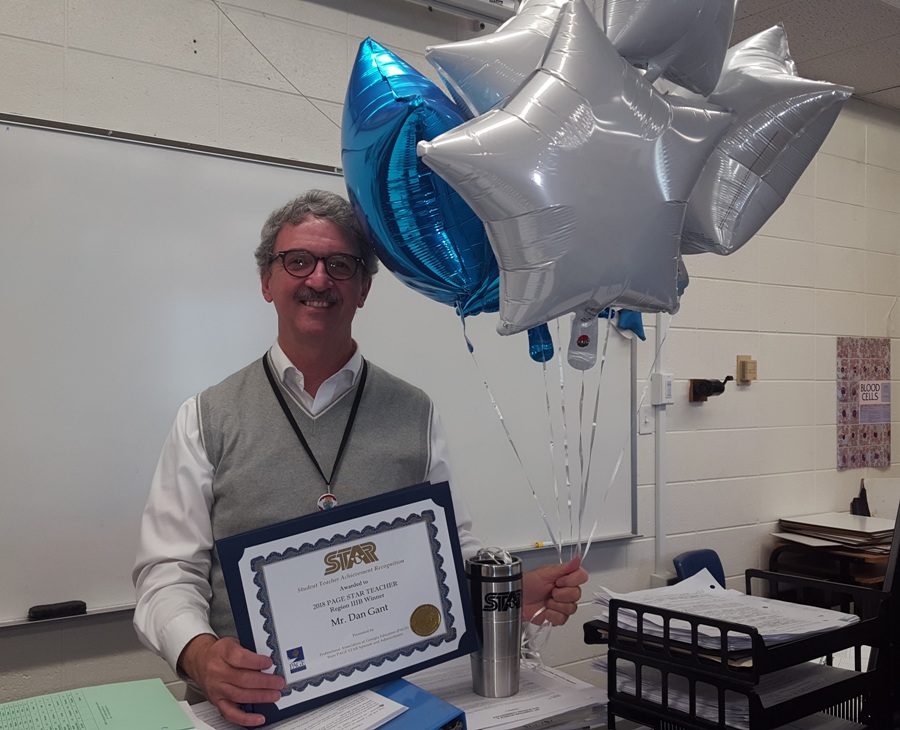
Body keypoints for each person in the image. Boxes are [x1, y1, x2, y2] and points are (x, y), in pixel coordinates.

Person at [133, 189, 588, 727]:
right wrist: (199, 654)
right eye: (297, 261)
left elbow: (449, 546)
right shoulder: (206, 417)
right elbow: (168, 571)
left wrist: (504, 591)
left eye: (340, 265)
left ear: (364, 288)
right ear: (267, 282)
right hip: (254, 709)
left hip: (394, 704)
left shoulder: (415, 411)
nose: (319, 279)